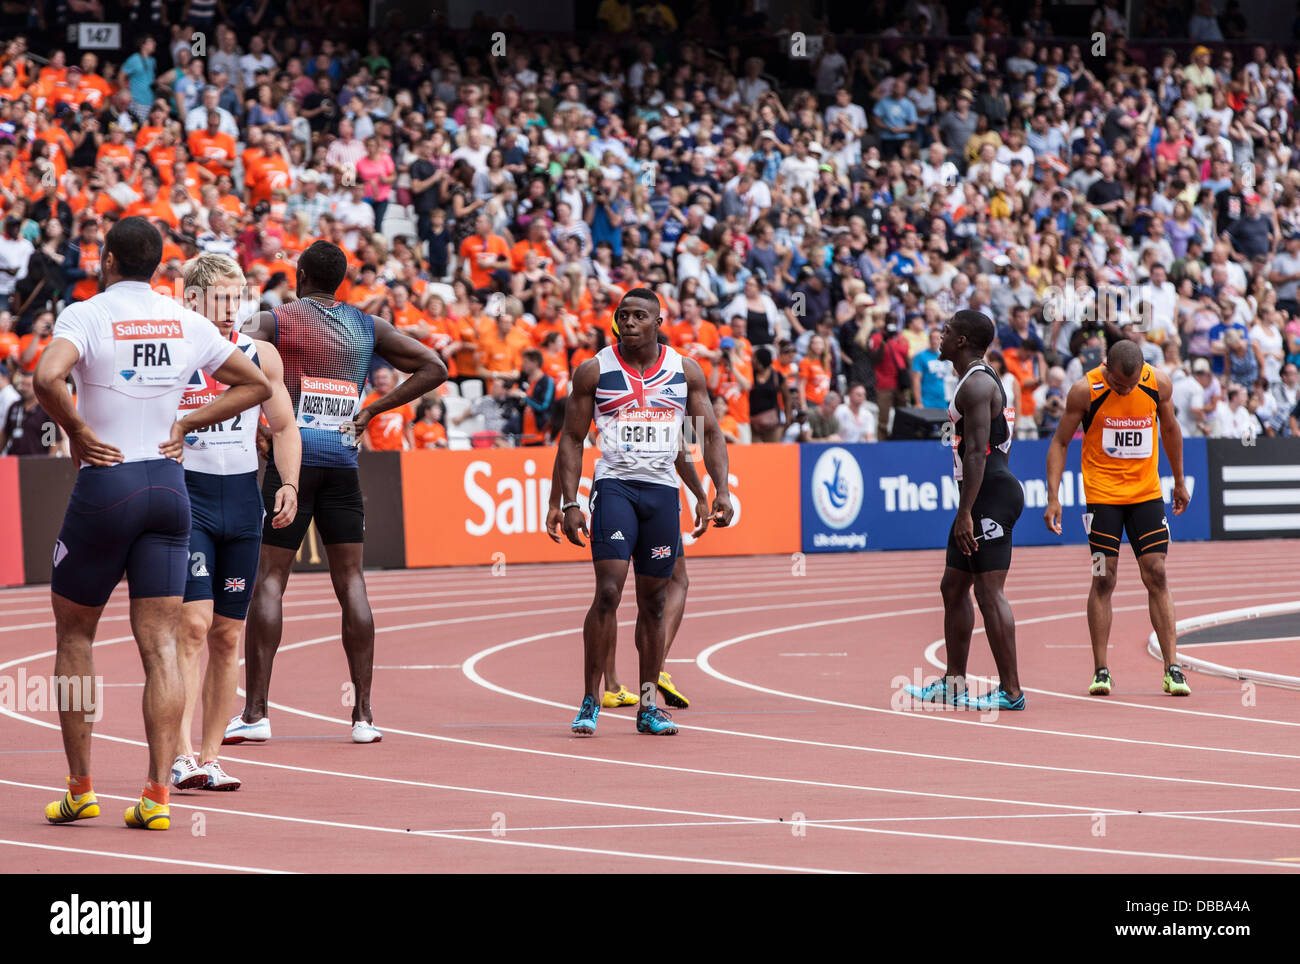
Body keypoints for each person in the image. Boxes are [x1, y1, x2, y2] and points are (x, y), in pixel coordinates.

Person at [33, 216, 271, 831]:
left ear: (107, 259)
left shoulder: (85, 315)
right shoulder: (186, 321)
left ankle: (81, 787)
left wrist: (79, 431)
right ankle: (156, 797)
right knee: (162, 644)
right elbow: (255, 383)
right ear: (158, 265)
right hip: (169, 488)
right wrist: (188, 425)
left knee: (76, 639)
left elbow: (44, 377)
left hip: (107, 485)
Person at [229, 241, 446, 745]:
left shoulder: (276, 319)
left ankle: (256, 712)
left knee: (270, 581)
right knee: (351, 582)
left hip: (293, 464)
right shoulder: (366, 326)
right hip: (343, 466)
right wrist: (373, 410)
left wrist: (262, 414)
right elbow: (435, 366)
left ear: (301, 274)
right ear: (342, 280)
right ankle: (364, 716)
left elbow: (228, 350)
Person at [552, 288, 733, 736]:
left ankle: (648, 705)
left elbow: (706, 434)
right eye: (623, 316)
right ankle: (591, 700)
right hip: (614, 489)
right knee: (609, 592)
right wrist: (569, 501)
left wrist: (717, 491)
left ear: (658, 322)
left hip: (660, 495)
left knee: (653, 603)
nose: (629, 323)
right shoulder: (594, 370)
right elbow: (571, 439)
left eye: (639, 316)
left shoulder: (684, 371)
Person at [170, 254, 301, 793]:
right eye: (221, 297)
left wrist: (288, 482)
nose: (232, 307)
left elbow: (285, 425)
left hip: (243, 500)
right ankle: (178, 756)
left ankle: (209, 757)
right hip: (189, 497)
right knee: (192, 627)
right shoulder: (176, 352)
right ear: (194, 299)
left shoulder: (259, 354)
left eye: (238, 295)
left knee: (227, 635)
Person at [1044, 339, 1192, 697]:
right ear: (1106, 365)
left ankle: (1172, 668)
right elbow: (1060, 442)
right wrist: (1053, 497)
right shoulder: (1085, 390)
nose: (1123, 389)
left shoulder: (1158, 383)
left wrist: (1178, 481)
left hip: (1146, 495)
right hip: (1102, 499)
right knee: (1103, 578)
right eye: (1118, 384)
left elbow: (1171, 430)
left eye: (1128, 385)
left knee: (1156, 572)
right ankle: (1101, 670)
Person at [904, 310, 1026, 710]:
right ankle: (954, 683)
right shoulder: (973, 380)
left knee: (990, 592)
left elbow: (977, 453)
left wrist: (966, 512)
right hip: (981, 494)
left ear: (962, 341)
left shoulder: (975, 384)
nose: (939, 335)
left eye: (946, 330)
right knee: (953, 586)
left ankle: (1011, 692)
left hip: (989, 496)